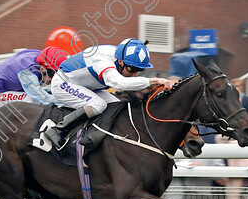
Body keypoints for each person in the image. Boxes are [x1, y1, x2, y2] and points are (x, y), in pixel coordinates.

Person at [45, 38, 175, 146]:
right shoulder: (103, 60)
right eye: (132, 69)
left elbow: (127, 84)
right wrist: (155, 80)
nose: (134, 74)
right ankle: (57, 130)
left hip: (85, 86)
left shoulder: (120, 57)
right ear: (120, 61)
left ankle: (96, 135)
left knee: (115, 104)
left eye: (138, 70)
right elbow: (121, 83)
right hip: (63, 84)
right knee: (98, 105)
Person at [0, 46, 67, 112]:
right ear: (42, 69)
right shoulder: (27, 72)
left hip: (6, 90)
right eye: (53, 76)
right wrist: (69, 102)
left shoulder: (42, 59)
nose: (52, 81)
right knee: (33, 101)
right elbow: (42, 98)